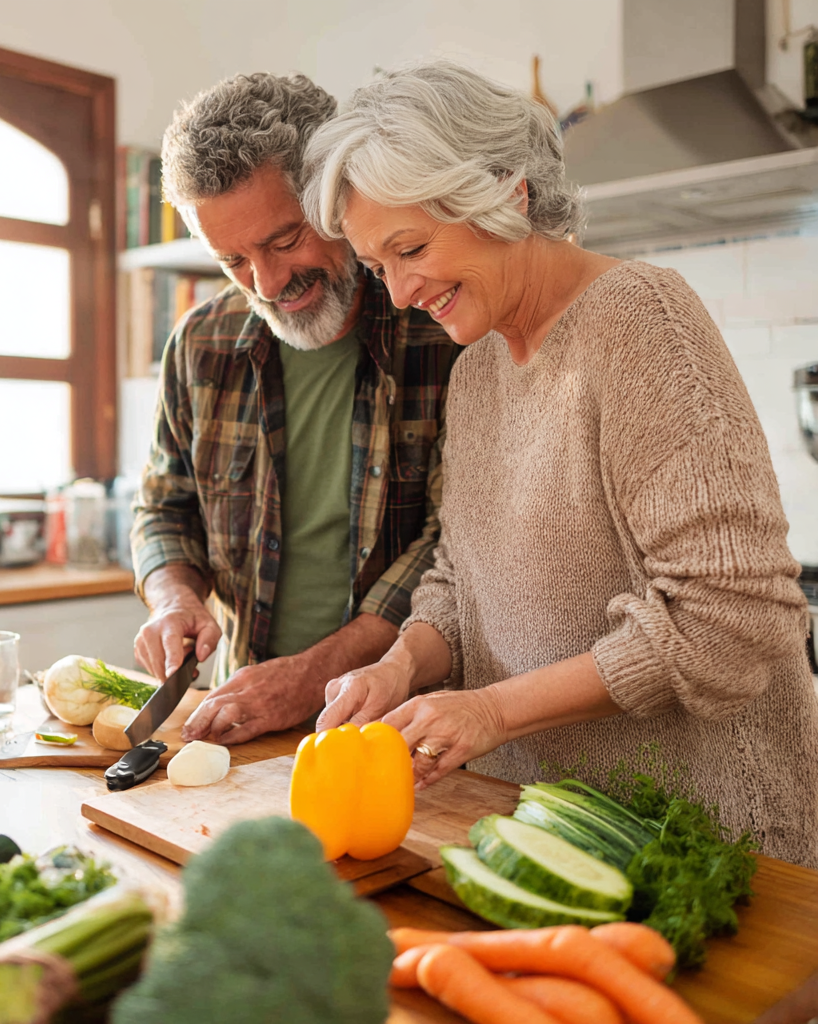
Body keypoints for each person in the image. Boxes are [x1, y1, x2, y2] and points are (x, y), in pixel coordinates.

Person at [300, 60, 818, 866]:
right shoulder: (477, 372)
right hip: (543, 829)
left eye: (411, 249)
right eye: (376, 267)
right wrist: (401, 662)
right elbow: (459, 575)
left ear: (506, 195)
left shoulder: (640, 320)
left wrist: (493, 713)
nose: (398, 293)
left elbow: (732, 619)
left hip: (699, 847)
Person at [131, 72, 458, 746]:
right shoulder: (202, 342)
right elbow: (165, 506)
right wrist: (174, 598)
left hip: (411, 725)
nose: (270, 284)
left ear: (336, 195)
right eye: (234, 261)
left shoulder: (439, 329)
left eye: (283, 241)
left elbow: (455, 547)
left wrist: (312, 679)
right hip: (248, 717)